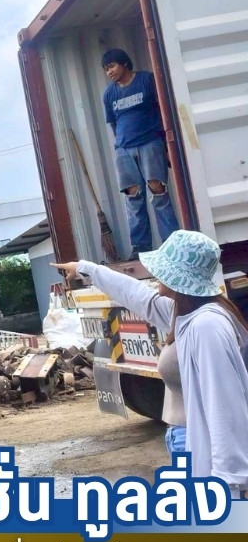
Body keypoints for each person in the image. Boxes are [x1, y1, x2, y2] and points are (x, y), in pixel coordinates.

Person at [51, 230, 248, 498]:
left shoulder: (206, 326)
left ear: (178, 277)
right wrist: (86, 269)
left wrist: (228, 483)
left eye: (163, 268)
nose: (155, 273)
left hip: (210, 462)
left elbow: (225, 405)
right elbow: (136, 294)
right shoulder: (185, 314)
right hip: (189, 441)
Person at [101, 48, 179, 260]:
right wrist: (120, 144)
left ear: (124, 63)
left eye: (112, 66)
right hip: (124, 149)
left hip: (150, 143)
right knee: (133, 198)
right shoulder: (109, 94)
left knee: (158, 192)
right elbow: (113, 123)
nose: (109, 72)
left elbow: (163, 109)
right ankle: (140, 249)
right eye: (106, 69)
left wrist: (165, 144)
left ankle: (172, 245)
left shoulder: (146, 80)